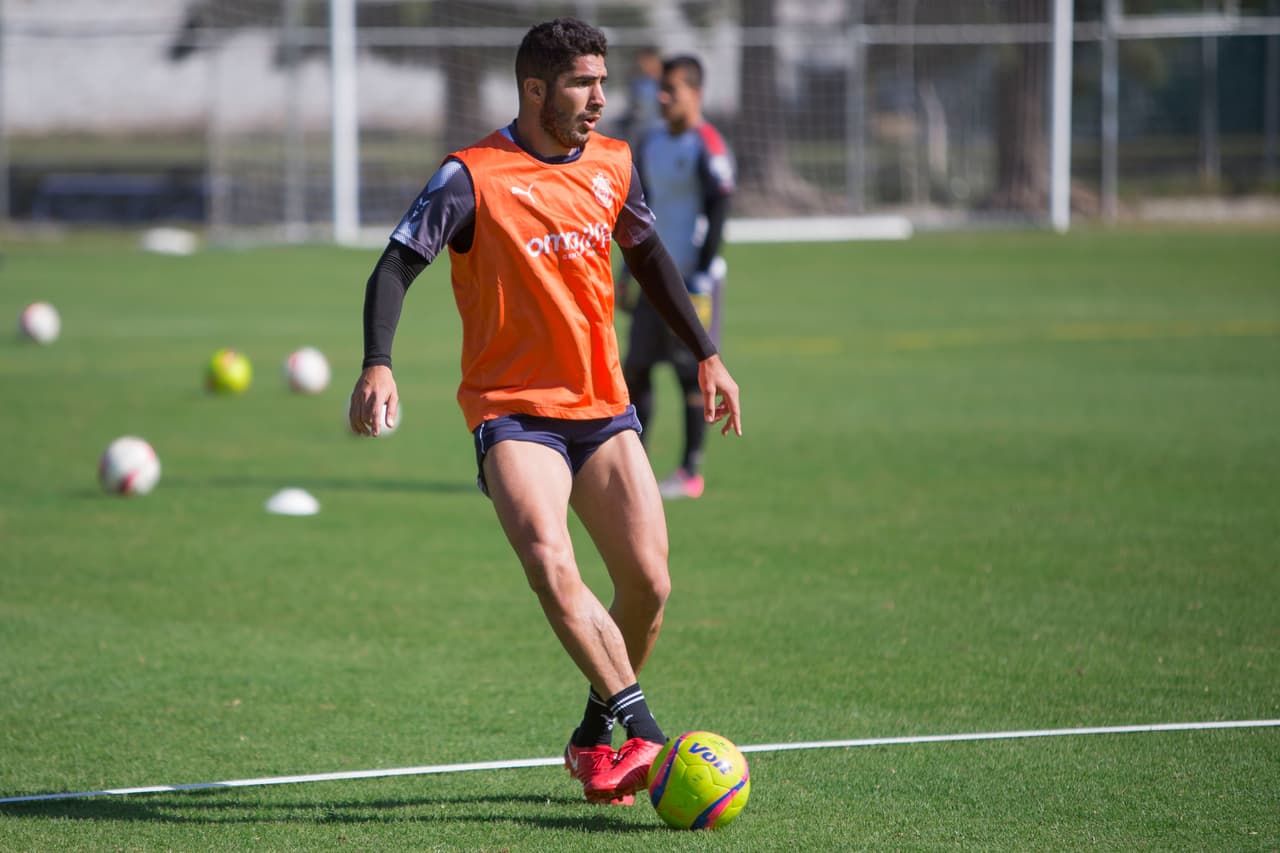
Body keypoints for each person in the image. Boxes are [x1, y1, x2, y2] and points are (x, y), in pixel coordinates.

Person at [347, 18, 742, 806]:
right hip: (513, 410)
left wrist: (706, 351)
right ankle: (649, 737)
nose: (601, 97)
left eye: (602, 81)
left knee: (650, 586)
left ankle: (596, 733)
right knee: (547, 558)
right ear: (536, 90)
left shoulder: (614, 162)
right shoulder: (471, 175)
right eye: (581, 83)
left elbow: (650, 257)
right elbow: (396, 263)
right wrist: (378, 362)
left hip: (603, 405)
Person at [621, 54, 735, 500]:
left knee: (691, 373)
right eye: (661, 90)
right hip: (652, 279)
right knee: (639, 369)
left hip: (693, 281)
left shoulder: (709, 146)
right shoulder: (649, 143)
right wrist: (626, 272)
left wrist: (701, 275)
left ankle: (690, 472)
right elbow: (635, 213)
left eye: (672, 90)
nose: (663, 97)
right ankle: (638, 469)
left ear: (696, 93)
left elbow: (720, 212)